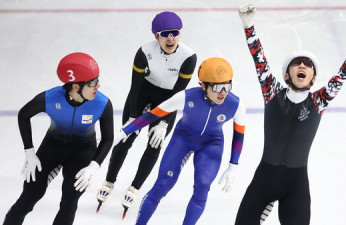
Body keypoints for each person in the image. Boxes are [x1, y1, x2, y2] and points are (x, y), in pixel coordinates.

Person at [235, 4, 346, 225]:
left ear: (313, 79)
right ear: (287, 75)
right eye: (297, 63)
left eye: (308, 65)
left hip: (296, 185)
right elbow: (259, 60)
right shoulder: (272, 91)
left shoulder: (319, 100)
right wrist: (248, 25)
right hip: (264, 179)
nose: (302, 66)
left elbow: (341, 76)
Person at [119, 57, 246, 225]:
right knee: (162, 185)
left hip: (211, 143)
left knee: (202, 187)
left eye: (227, 86)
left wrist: (233, 166)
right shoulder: (186, 97)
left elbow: (239, 135)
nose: (223, 92)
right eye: (217, 87)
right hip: (183, 138)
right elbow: (155, 113)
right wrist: (126, 130)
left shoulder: (236, 104)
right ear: (203, 85)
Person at [96, 11, 197, 212]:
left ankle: (134, 188)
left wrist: (163, 122)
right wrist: (134, 116)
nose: (170, 38)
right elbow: (136, 86)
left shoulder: (189, 56)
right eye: (165, 33)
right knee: (125, 139)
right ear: (156, 36)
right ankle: (108, 182)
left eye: (175, 33)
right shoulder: (144, 52)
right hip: (142, 95)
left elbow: (178, 94)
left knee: (154, 144)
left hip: (167, 101)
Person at [3, 52, 114, 225]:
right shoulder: (50, 98)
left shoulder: (102, 103)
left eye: (97, 80)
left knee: (69, 203)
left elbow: (108, 138)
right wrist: (30, 153)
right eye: (92, 83)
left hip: (83, 151)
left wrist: (94, 166)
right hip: (52, 147)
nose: (98, 86)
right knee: (29, 196)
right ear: (76, 86)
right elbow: (23, 116)